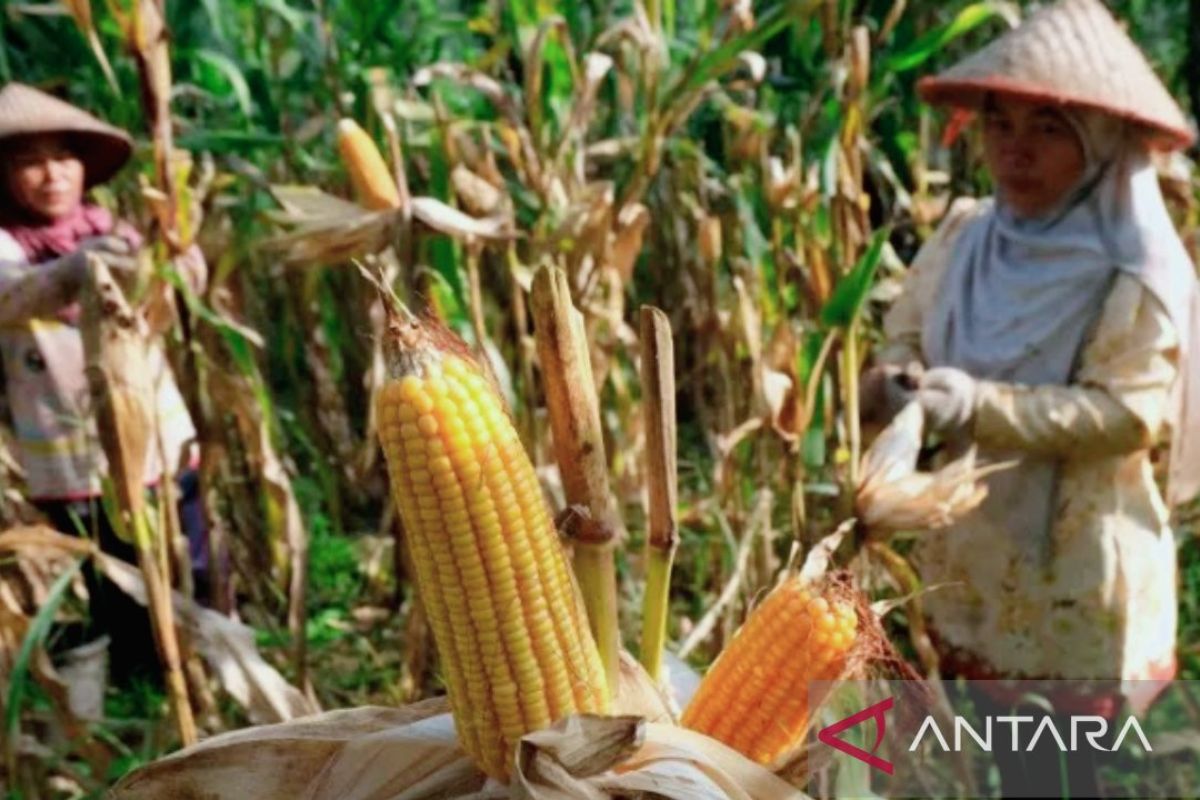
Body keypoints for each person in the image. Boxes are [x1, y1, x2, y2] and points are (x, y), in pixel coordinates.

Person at [863, 0, 1200, 795]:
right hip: (968, 552)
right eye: (1000, 125)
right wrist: (895, 384)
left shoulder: (1134, 274)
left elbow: (1129, 415)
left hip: (1070, 575)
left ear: (1101, 145)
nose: (1015, 150)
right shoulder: (964, 236)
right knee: (992, 759)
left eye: (1048, 128)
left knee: (1049, 775)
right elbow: (905, 335)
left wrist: (974, 405)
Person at [0, 82, 210, 693]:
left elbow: (171, 295)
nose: (51, 175)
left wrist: (178, 256)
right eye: (28, 162)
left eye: (61, 158)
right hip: (70, 454)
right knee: (112, 574)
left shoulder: (112, 226)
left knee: (186, 556)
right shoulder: (9, 245)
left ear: (83, 165)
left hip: (156, 434)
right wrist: (77, 267)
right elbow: (14, 296)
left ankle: (204, 664)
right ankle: (141, 686)